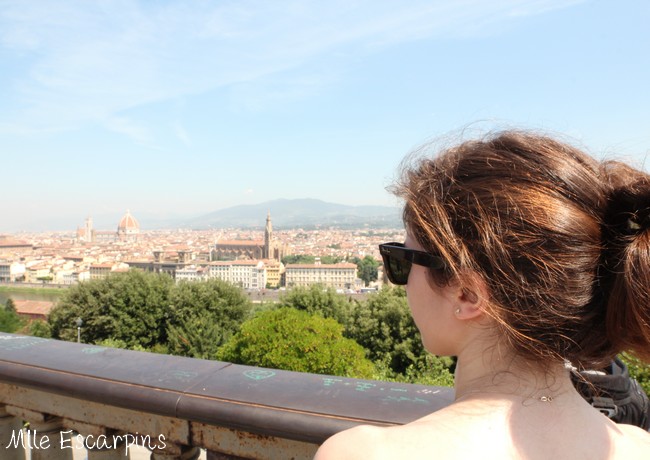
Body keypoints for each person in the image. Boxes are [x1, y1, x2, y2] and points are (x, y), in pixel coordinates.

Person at [314, 131, 650, 459]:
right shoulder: (638, 446)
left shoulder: (365, 453)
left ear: (467, 294)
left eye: (401, 261)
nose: (399, 280)